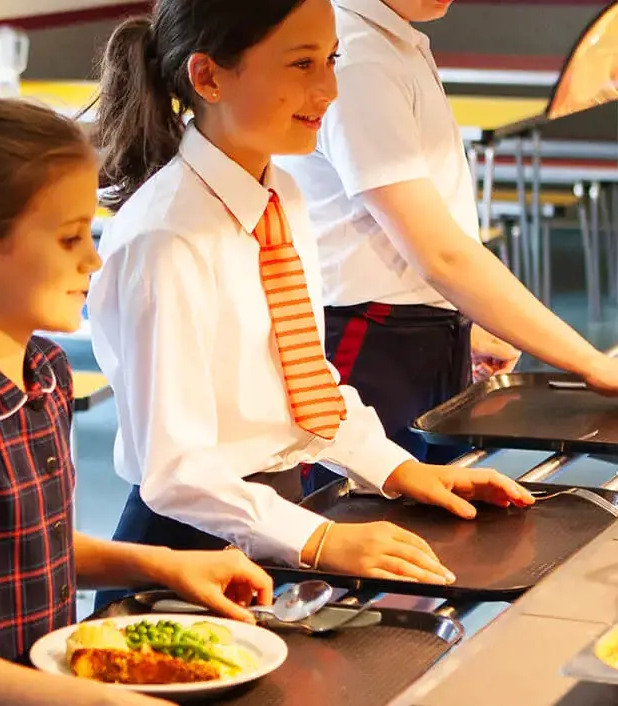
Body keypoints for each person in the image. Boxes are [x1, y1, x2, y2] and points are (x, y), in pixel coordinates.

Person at [0, 98, 276, 706]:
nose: (93, 259)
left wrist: (170, 565)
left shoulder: (45, 373)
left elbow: (27, 545)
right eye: (70, 238)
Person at [88, 0, 534, 591]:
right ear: (208, 77)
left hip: (275, 515)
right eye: (301, 65)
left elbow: (308, 385)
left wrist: (398, 470)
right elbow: (175, 472)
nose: (328, 89)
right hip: (187, 546)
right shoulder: (169, 236)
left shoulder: (283, 197)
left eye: (331, 59)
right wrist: (320, 539)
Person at [279, 0, 618, 467]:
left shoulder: (389, 38)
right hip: (373, 339)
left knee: (431, 505)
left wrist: (465, 320)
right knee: (370, 511)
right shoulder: (359, 56)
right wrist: (591, 363)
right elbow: (440, 254)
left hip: (412, 325)